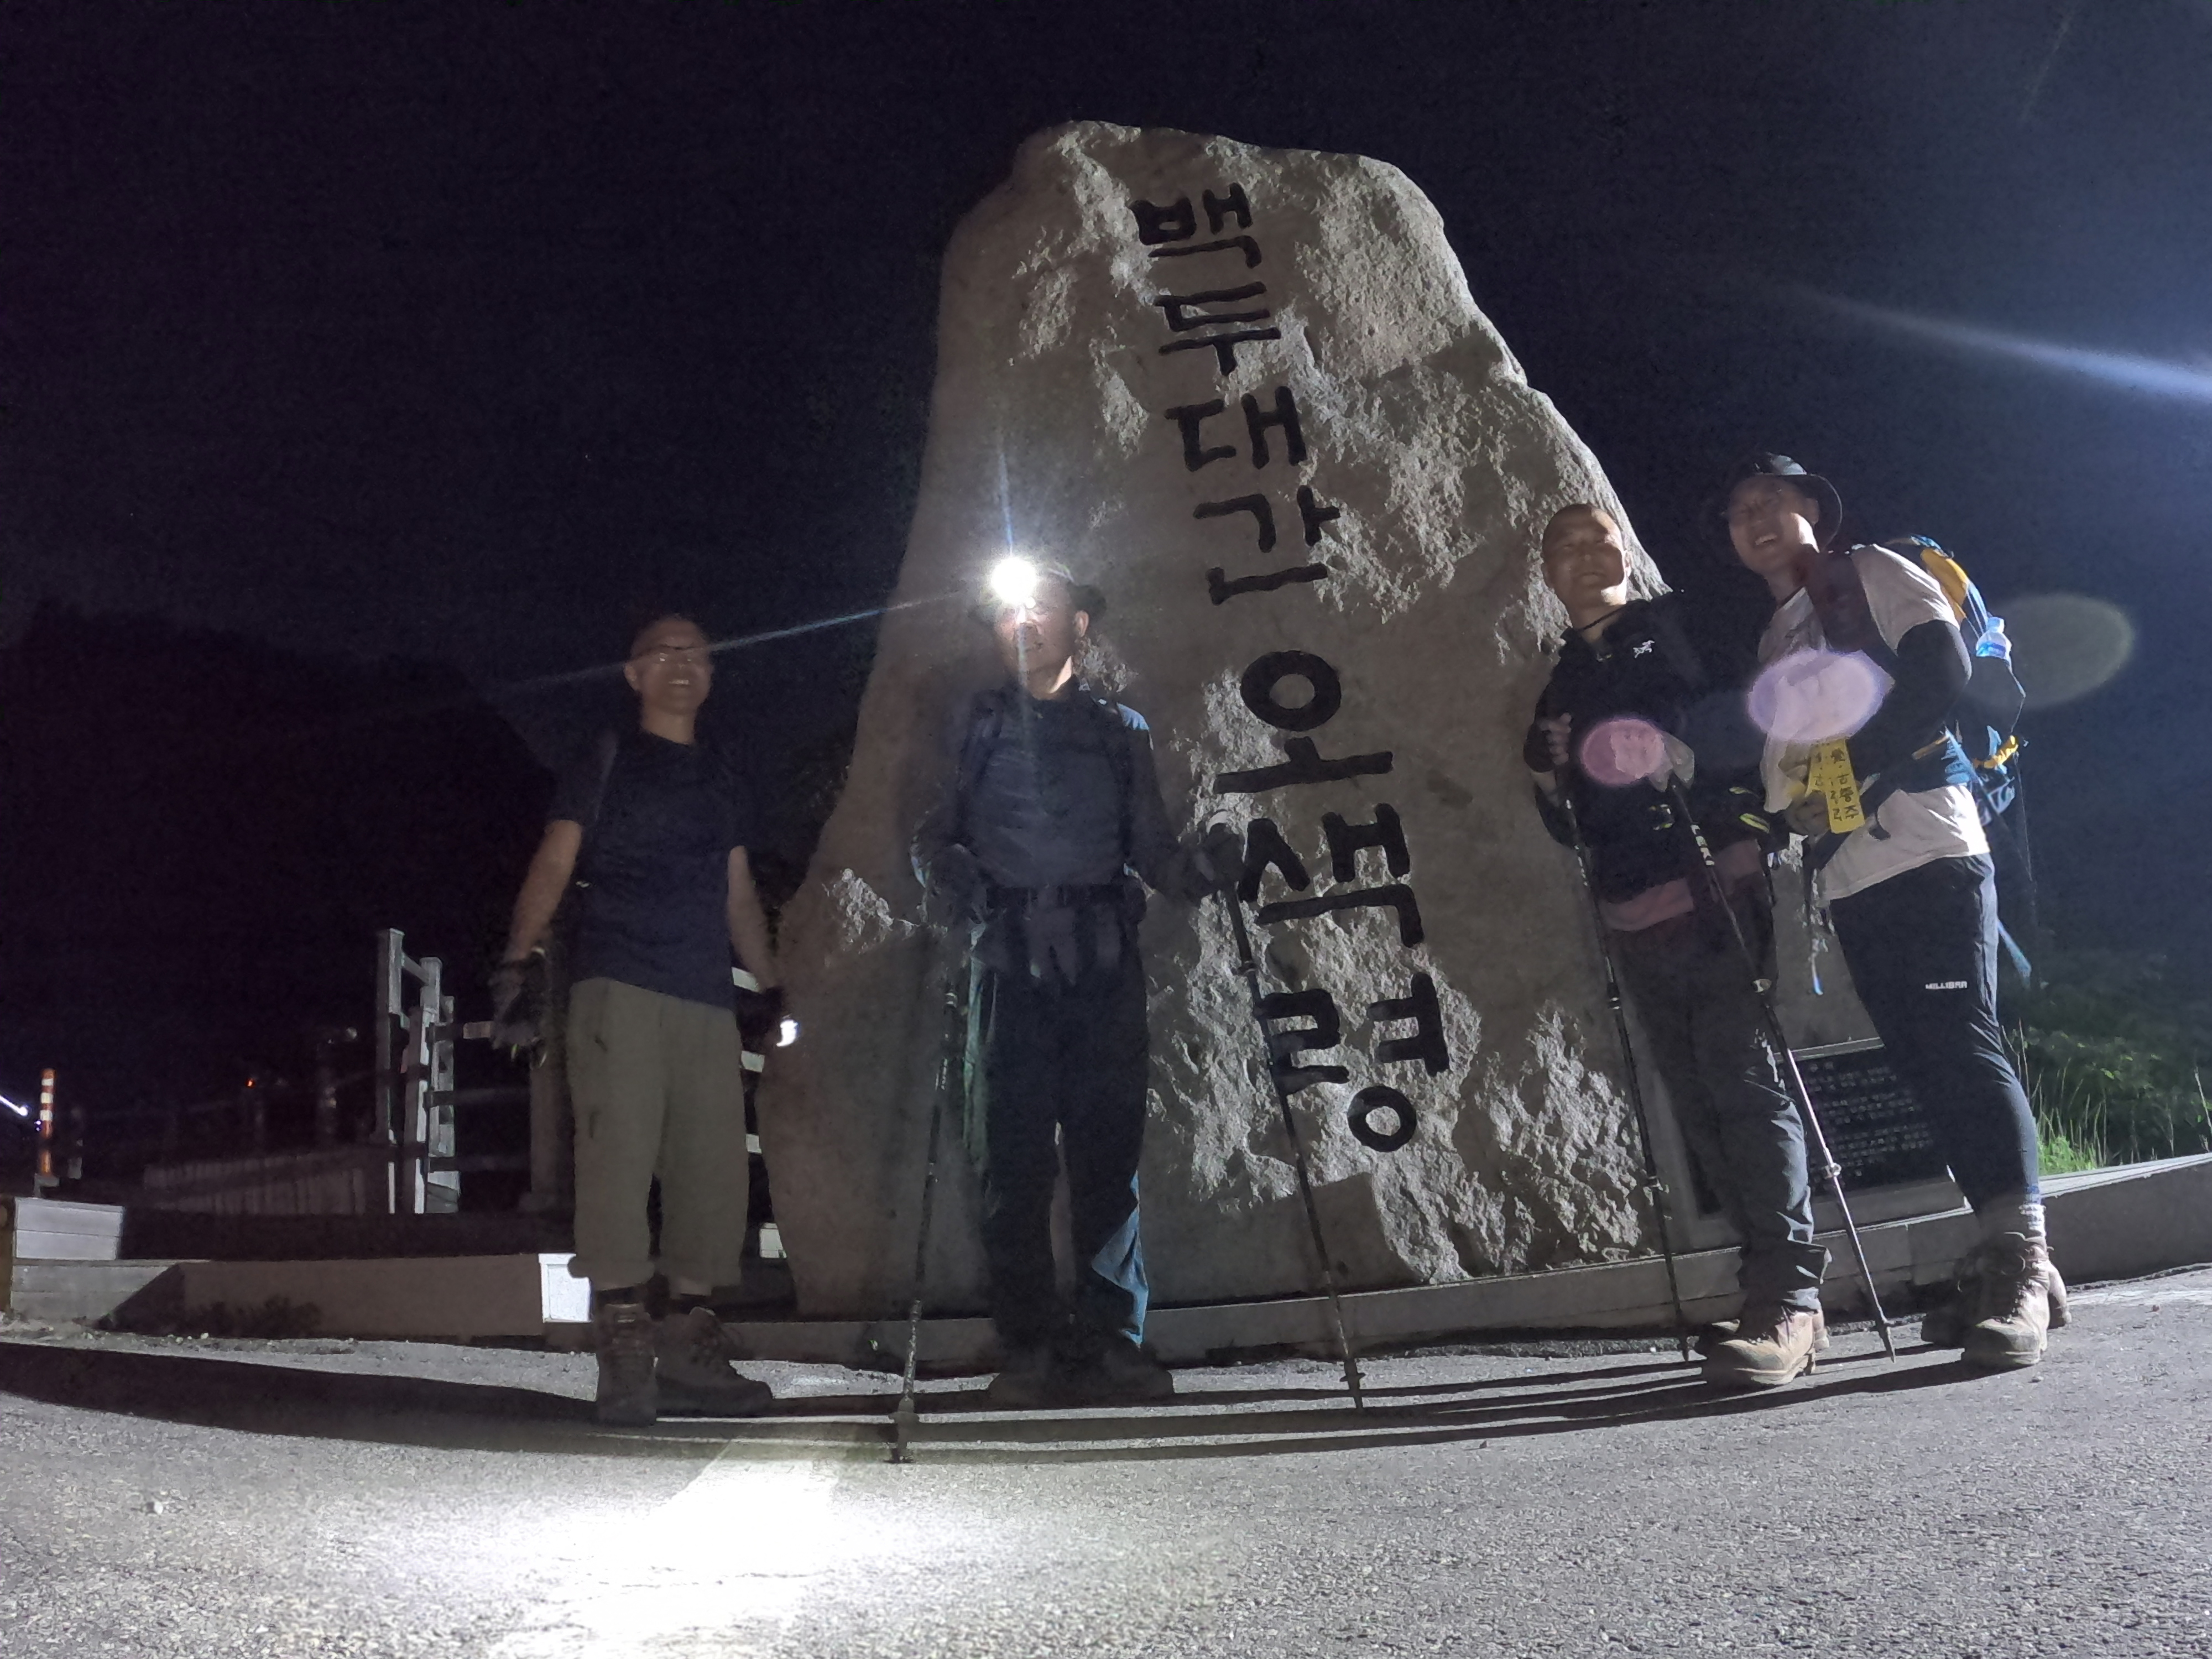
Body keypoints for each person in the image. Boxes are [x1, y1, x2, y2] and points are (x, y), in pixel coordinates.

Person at [1723, 455, 2065, 1369]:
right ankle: (2001, 1254)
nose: (1756, 519)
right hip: (1847, 873)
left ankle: (2023, 1263)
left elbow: (1939, 672)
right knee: (1922, 1061)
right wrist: (1769, 823)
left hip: (1926, 840)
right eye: (1740, 512)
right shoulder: (1779, 634)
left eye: (1773, 502)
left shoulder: (1869, 570)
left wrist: (1851, 766)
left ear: (1815, 511)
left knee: (1961, 1043)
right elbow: (1793, 767)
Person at [912, 560, 1234, 1408]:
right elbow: (932, 833)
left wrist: (1199, 870)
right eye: (1008, 611)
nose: (1023, 623)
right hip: (1005, 960)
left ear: (1079, 625)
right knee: (1011, 1162)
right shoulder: (973, 723)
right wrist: (946, 869)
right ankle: (1028, 1347)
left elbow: (1151, 848)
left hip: (1101, 960)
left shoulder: (1120, 730)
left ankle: (1113, 1340)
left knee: (1106, 1158)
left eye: (1042, 608)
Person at [1526, 504, 1828, 1387]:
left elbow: (1751, 722)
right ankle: (1768, 1286)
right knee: (1698, 1104)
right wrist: (1547, 769)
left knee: (1743, 1085)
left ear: (1627, 547)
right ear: (1546, 574)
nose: (1586, 556)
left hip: (1715, 890)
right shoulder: (1563, 678)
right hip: (1633, 912)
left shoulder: (1685, 630)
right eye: (1564, 547)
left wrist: (1680, 755)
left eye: (1599, 538)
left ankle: (1790, 1299)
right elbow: (1569, 820)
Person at [494, 611, 785, 1425]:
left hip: (705, 995)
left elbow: (737, 890)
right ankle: (623, 1349)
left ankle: (689, 1347)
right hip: (615, 983)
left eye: (697, 654)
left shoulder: (721, 774)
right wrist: (517, 960)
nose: (682, 664)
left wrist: (770, 986)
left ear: (713, 674)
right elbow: (556, 858)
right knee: (616, 1163)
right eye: (663, 653)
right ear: (634, 675)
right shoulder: (607, 756)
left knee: (713, 1171)